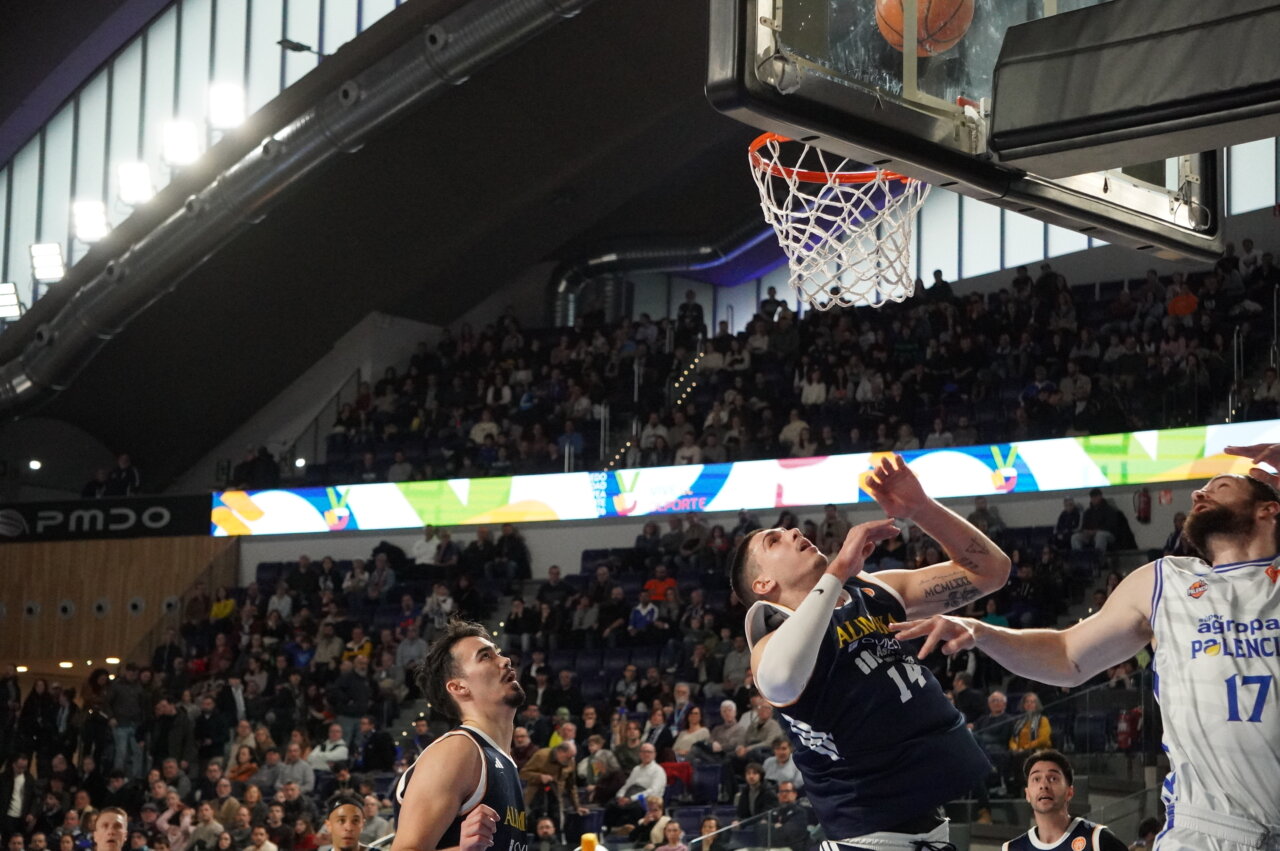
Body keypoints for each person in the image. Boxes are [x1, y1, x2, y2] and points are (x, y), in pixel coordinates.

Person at [894, 444, 1280, 851]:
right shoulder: (1166, 580)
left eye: (1219, 485)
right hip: (1208, 829)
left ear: (1268, 509)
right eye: (1201, 487)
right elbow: (1067, 657)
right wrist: (982, 631)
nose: (1198, 494)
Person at [732, 455, 1008, 849]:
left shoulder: (872, 591)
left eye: (786, 529)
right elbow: (778, 679)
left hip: (929, 832)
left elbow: (991, 572)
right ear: (762, 584)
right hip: (866, 839)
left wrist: (922, 509)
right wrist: (838, 570)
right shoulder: (768, 641)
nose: (792, 531)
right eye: (773, 541)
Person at [391, 620, 528, 851]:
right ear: (458, 687)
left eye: (498, 653)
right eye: (485, 657)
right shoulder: (457, 750)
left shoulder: (501, 759)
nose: (505, 661)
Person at [1002, 750, 1126, 851]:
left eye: (1053, 778)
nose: (1043, 785)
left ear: (1069, 792)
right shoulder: (1012, 848)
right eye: (1036, 779)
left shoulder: (1097, 839)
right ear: (1027, 794)